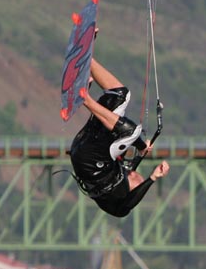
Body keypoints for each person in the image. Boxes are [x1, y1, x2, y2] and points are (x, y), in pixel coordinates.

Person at [69, 57, 169, 217]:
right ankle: (86, 58)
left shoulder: (119, 205)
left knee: (132, 132)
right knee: (121, 95)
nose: (135, 173)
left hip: (89, 160)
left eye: (137, 179)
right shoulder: (123, 172)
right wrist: (142, 147)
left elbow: (131, 201)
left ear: (132, 188)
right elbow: (125, 147)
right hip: (85, 146)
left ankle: (85, 99)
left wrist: (153, 177)